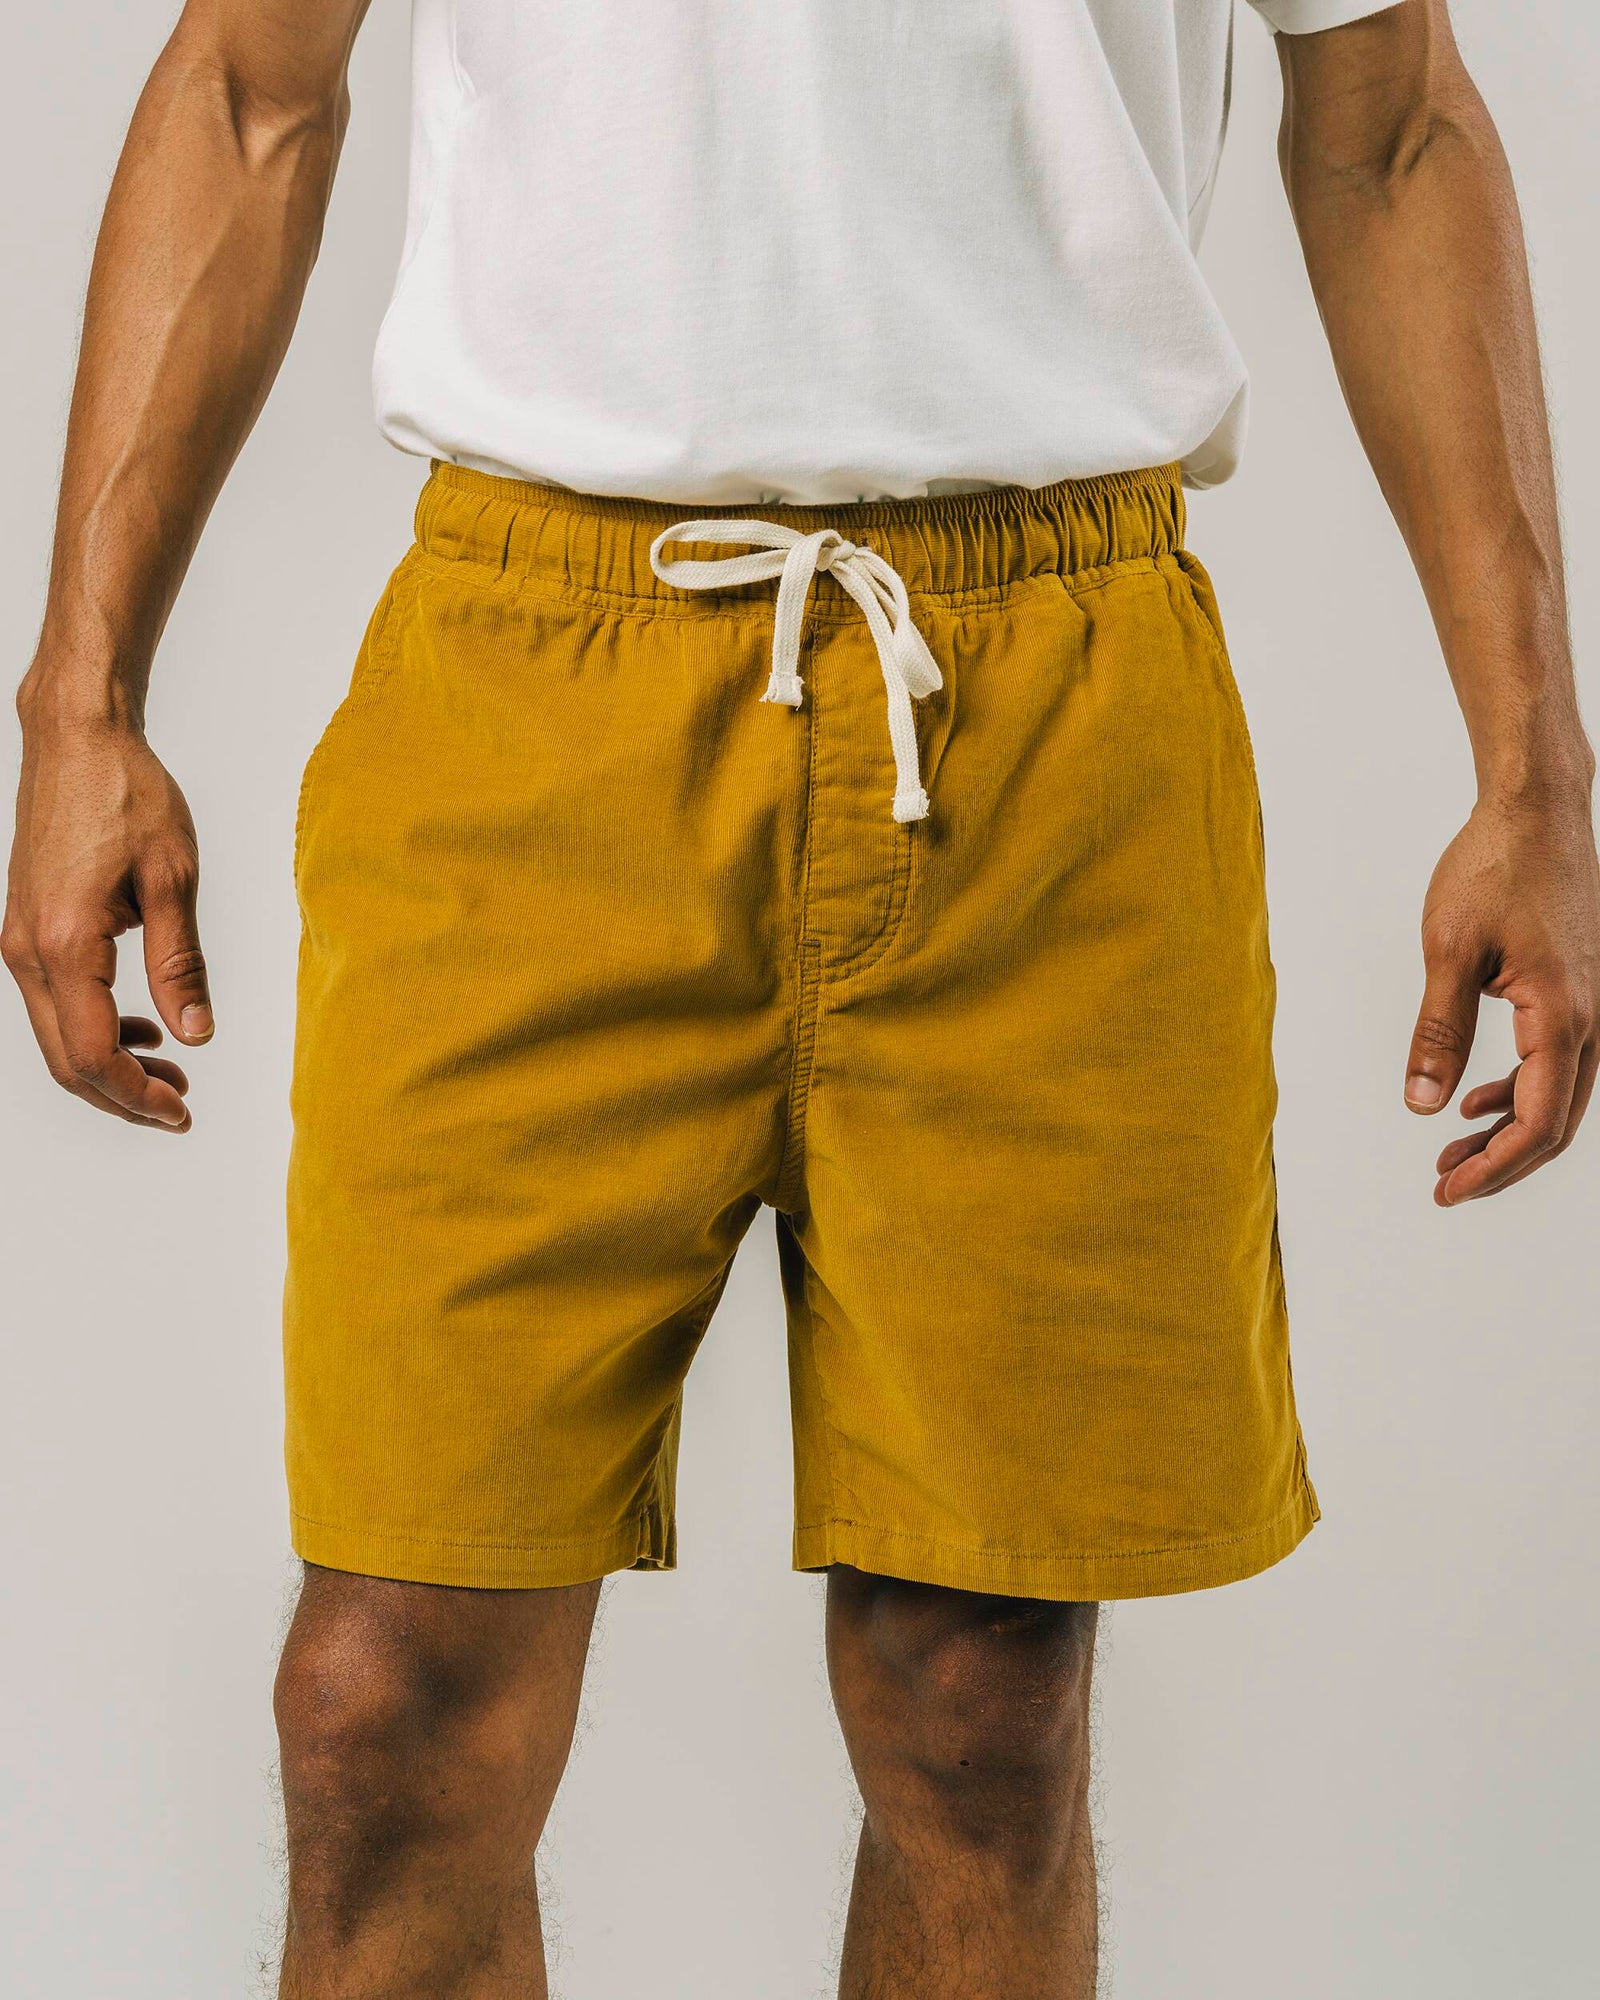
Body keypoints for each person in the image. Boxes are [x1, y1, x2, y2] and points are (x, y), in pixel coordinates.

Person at [6, 0, 1597, 1993]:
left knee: (979, 1706)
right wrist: (80, 699)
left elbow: (1391, 130)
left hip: (1055, 702)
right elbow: (250, 90)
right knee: (385, 1700)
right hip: (530, 678)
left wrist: (1533, 770)